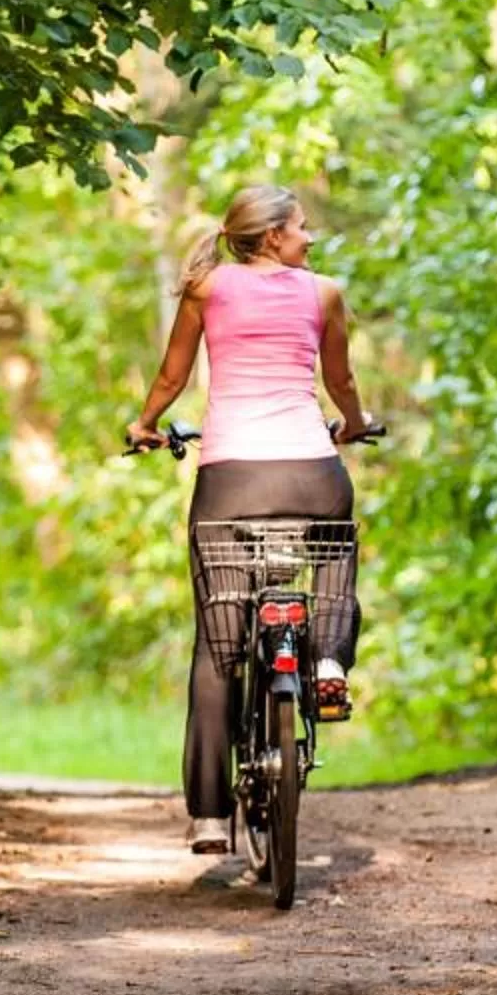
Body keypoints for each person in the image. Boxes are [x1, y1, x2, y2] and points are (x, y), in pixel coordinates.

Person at [127, 185, 375, 856]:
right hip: (311, 476)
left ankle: (209, 815)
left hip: (230, 483)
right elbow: (342, 385)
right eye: (300, 227)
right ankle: (327, 662)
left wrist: (145, 425)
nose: (310, 237)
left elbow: (172, 377)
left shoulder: (206, 289)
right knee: (333, 565)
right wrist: (353, 426)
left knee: (220, 645)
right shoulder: (323, 293)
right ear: (271, 237)